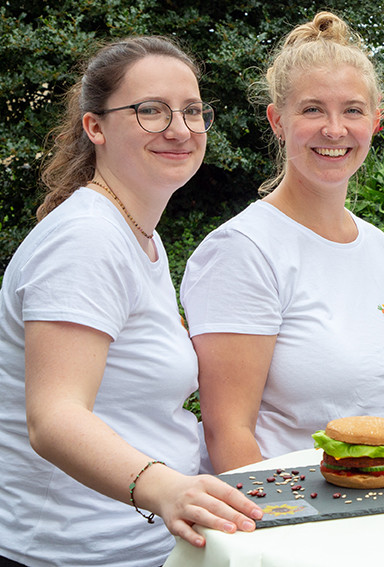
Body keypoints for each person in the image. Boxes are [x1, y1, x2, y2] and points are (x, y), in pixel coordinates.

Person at [0, 36, 264, 566]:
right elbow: (53, 416)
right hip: (73, 551)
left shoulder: (140, 234)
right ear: (95, 127)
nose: (180, 128)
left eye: (192, 111)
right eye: (151, 110)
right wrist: (164, 487)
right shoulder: (86, 239)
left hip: (144, 545)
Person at [180, 12, 384, 474]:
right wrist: (284, 527)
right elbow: (228, 436)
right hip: (295, 514)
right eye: (313, 109)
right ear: (278, 121)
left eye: (352, 110)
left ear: (374, 122)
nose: (334, 129)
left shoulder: (377, 246)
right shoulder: (243, 250)